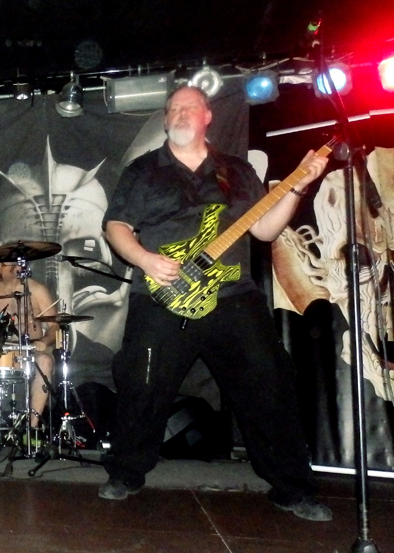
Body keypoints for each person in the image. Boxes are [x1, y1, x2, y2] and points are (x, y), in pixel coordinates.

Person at [99, 86, 332, 521]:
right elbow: (116, 226)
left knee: (269, 384)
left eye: (190, 107)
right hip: (162, 293)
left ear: (207, 116)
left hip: (232, 295)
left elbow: (264, 230)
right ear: (165, 119)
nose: (180, 113)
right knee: (140, 384)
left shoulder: (236, 170)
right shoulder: (144, 170)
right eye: (173, 108)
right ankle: (125, 473)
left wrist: (297, 188)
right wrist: (146, 260)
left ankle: (293, 488)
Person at [0, 260, 58, 429]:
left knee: (45, 361)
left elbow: (55, 326)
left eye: (2, 264)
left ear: (19, 267)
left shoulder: (37, 289)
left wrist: (43, 342)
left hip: (31, 347)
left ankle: (32, 427)